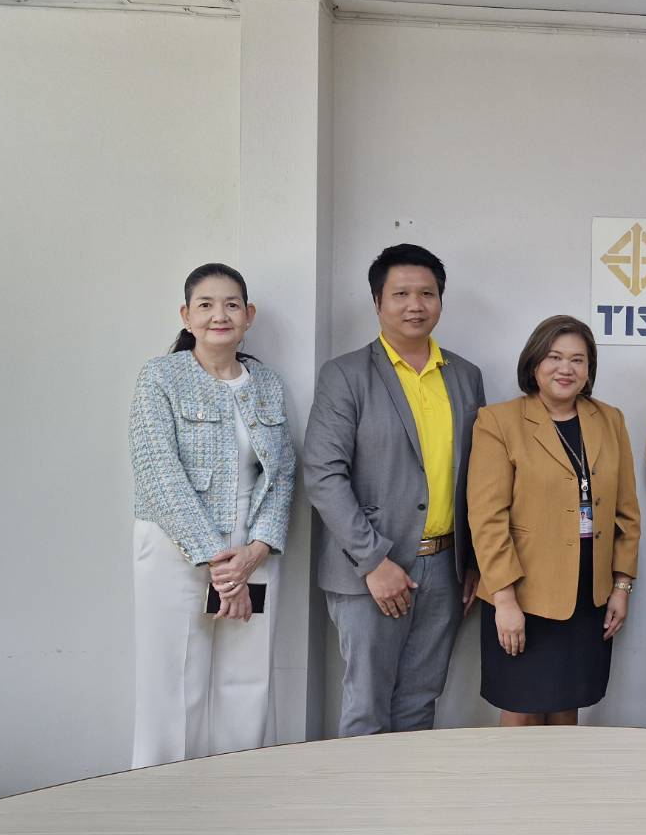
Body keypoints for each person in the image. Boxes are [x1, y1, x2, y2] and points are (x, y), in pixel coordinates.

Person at [303, 244, 485, 736]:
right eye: (401, 294)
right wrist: (373, 561)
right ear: (377, 302)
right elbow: (323, 473)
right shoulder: (345, 375)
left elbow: (478, 474)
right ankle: (360, 792)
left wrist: (473, 561)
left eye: (427, 293)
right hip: (371, 569)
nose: (415, 305)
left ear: (440, 300)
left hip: (445, 568)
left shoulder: (465, 376)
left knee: (420, 703)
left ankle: (409, 790)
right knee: (367, 706)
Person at [129, 263, 295, 767]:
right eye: (205, 305)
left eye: (231, 304)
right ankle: (163, 796)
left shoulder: (267, 383)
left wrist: (256, 551)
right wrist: (221, 567)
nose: (219, 315)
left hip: (253, 548)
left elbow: (283, 473)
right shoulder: (161, 376)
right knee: (174, 681)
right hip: (175, 545)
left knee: (248, 677)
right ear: (186, 315)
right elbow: (158, 473)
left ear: (249, 314)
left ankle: (240, 792)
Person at [468, 316, 641, 725]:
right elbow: (488, 518)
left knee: (568, 708)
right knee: (521, 710)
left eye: (578, 360)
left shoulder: (610, 420)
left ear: (589, 370)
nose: (566, 368)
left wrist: (620, 587)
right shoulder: (499, 421)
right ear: (534, 364)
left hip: (587, 596)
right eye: (554, 357)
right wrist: (505, 601)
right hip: (523, 594)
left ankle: (564, 774)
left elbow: (627, 513)